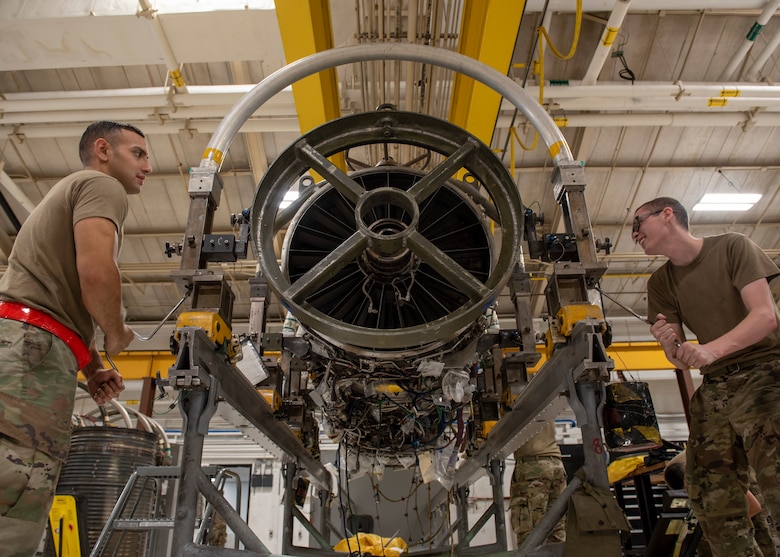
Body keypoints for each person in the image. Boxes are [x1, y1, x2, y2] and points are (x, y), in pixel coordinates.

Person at [0, 121, 152, 555]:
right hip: (31, 352)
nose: (149, 166)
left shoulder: (74, 190)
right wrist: (116, 332)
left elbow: (58, 296)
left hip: (28, 344)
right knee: (17, 491)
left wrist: (92, 367)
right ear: (103, 150)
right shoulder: (101, 186)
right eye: (138, 153)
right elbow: (96, 271)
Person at [632, 196, 780, 557]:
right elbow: (681, 358)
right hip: (716, 386)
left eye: (638, 223)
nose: (634, 233)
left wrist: (711, 350)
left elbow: (765, 316)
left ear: (667, 215)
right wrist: (672, 347)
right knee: (711, 498)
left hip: (767, 371)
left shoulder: (732, 247)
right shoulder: (660, 284)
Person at [509, 421, 567, 547]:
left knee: (528, 528)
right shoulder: (543, 403)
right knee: (557, 529)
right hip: (556, 464)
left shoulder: (514, 402)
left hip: (533, 467)